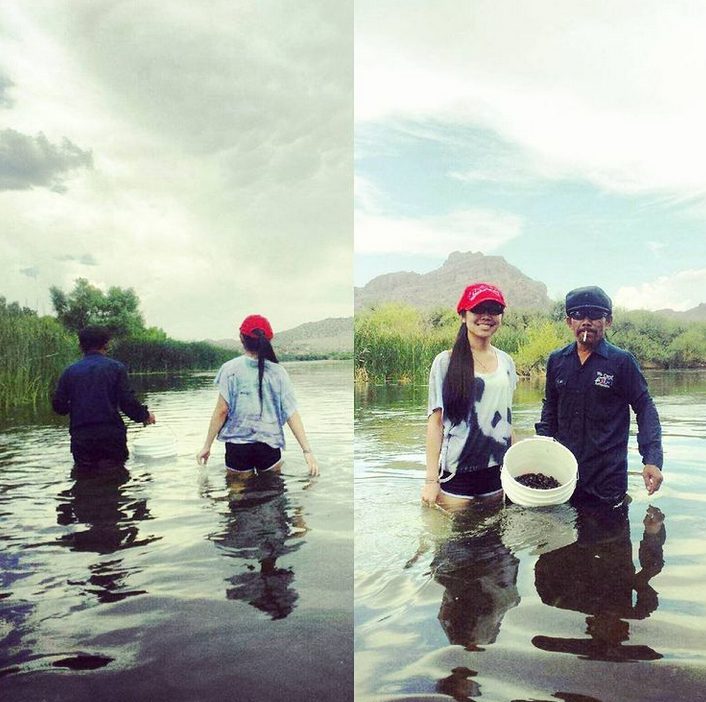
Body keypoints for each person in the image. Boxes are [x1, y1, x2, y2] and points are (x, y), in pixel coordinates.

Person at [535, 285, 663, 507]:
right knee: (562, 537)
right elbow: (550, 406)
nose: (586, 321)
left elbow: (644, 408)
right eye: (578, 315)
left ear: (608, 321)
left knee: (611, 538)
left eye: (595, 315)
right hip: (563, 473)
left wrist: (652, 460)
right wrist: (542, 447)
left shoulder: (621, 362)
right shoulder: (557, 361)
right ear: (569, 322)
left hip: (608, 477)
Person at [423, 283, 517, 509]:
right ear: (463, 315)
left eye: (493, 309)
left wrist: (519, 465)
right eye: (478, 309)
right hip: (457, 475)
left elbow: (507, 419)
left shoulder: (506, 362)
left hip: (497, 473)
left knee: (495, 542)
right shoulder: (445, 362)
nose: (486, 316)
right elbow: (436, 424)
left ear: (501, 317)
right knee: (449, 543)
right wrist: (430, 480)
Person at [196, 314, 319, 477]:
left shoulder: (229, 369)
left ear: (241, 338)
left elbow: (221, 411)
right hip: (268, 444)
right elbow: (291, 413)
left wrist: (207, 446)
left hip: (237, 447)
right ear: (268, 340)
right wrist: (307, 451)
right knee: (271, 494)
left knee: (238, 496)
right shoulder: (278, 372)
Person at [52, 325, 156, 472]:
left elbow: (59, 407)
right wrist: (145, 416)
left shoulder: (69, 372)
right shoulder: (116, 368)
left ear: (81, 346)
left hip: (82, 437)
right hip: (111, 435)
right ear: (106, 344)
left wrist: (78, 405)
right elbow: (127, 402)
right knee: (116, 477)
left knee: (84, 479)